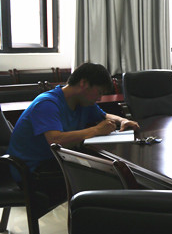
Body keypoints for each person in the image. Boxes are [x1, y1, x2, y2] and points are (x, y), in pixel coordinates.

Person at [7, 62, 139, 200]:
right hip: (32, 171)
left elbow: (104, 115)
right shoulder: (47, 103)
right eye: (99, 92)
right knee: (109, 178)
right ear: (84, 83)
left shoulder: (82, 101)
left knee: (110, 173)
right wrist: (96, 130)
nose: (99, 98)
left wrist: (122, 120)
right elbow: (56, 140)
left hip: (56, 161)